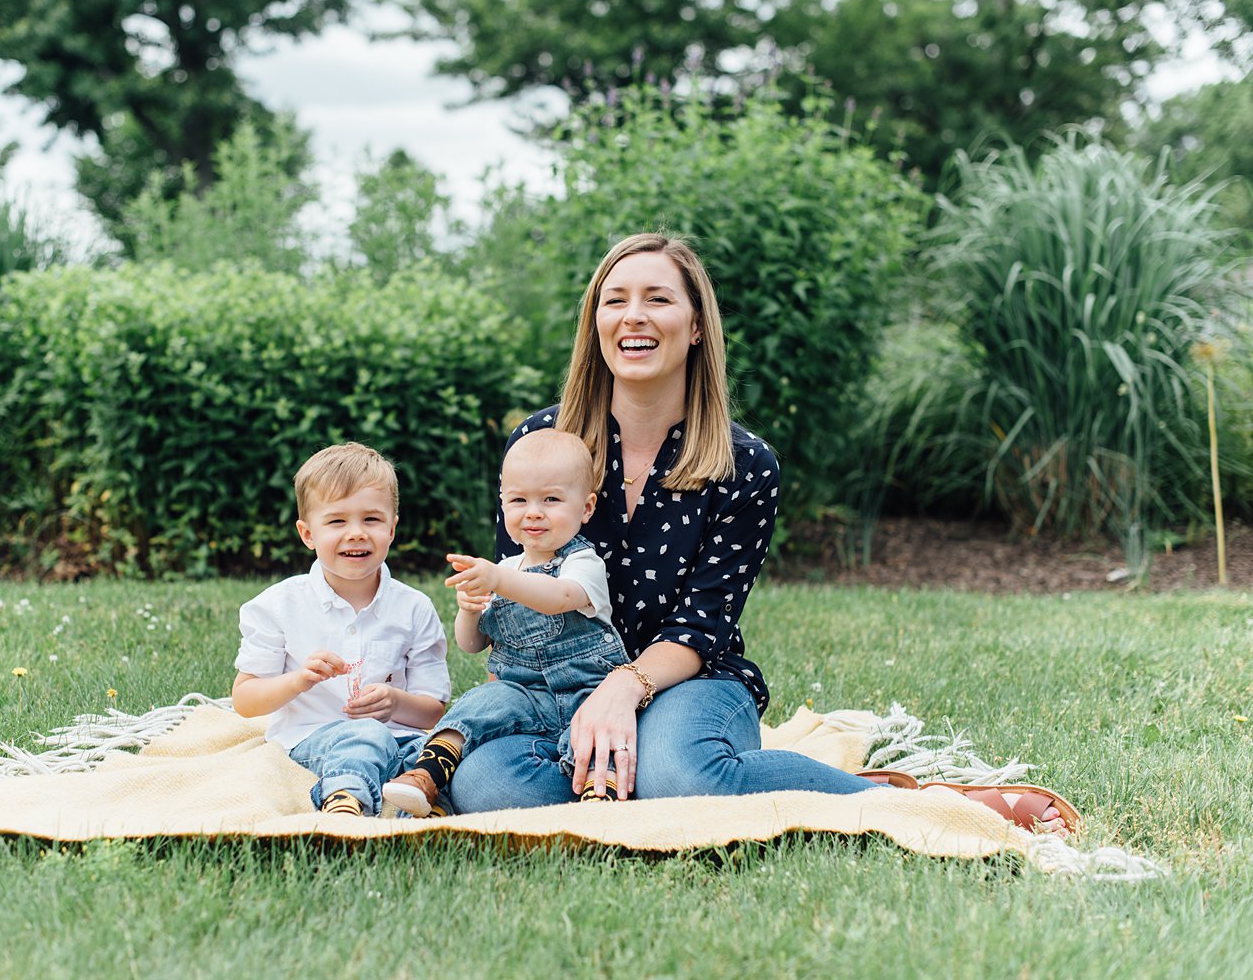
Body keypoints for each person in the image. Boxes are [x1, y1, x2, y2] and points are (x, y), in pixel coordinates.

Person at [443, 232, 1075, 835]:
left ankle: (905, 801)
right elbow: (520, 590)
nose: (633, 316)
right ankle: (635, 785)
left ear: (695, 328)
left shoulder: (744, 464)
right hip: (556, 691)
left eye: (657, 299)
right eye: (616, 300)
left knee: (680, 777)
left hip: (689, 682)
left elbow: (701, 626)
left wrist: (621, 689)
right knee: (488, 787)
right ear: (596, 325)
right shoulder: (539, 444)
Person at [383, 429, 631, 817]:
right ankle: (427, 774)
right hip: (523, 695)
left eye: (551, 499)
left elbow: (559, 598)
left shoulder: (582, 563)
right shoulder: (504, 569)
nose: (533, 511)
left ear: (585, 507)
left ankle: (600, 795)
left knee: (597, 738)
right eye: (519, 500)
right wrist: (469, 610)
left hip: (590, 690)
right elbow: (472, 644)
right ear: (503, 505)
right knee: (479, 703)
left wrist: (498, 582)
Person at [230, 442, 451, 817]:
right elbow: (246, 700)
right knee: (366, 735)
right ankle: (345, 800)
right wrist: (298, 680)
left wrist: (396, 702)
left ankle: (419, 807)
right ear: (308, 534)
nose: (356, 533)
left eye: (371, 520)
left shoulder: (414, 608)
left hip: (402, 740)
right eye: (336, 521)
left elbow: (433, 711)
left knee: (440, 750)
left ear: (392, 528)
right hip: (313, 737)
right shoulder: (279, 605)